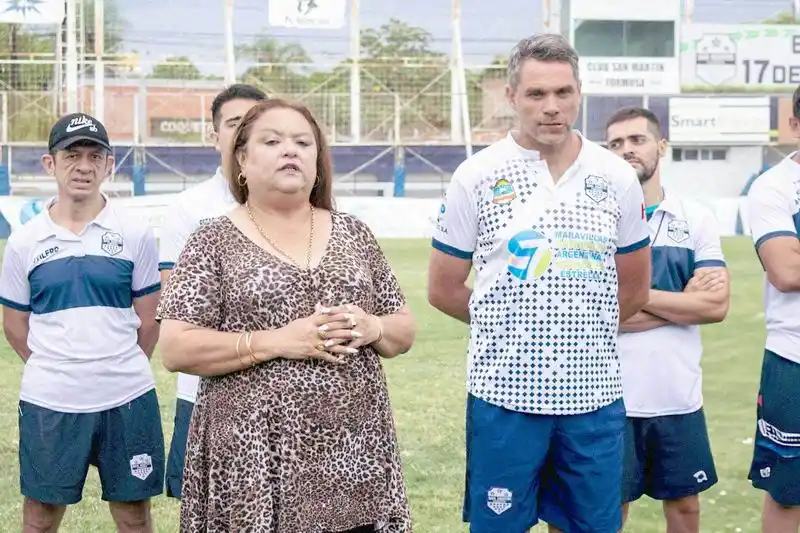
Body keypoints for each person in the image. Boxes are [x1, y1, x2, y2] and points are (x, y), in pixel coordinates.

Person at [155, 97, 417, 533]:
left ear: (318, 160)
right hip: (255, 464)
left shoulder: (353, 233)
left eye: (302, 142)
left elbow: (403, 328)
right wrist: (279, 341)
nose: (290, 150)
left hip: (356, 459)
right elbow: (176, 347)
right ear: (242, 158)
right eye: (272, 141)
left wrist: (372, 327)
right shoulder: (213, 240)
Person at [427, 33, 652, 533]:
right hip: (503, 397)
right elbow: (443, 288)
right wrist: (511, 324)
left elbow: (634, 289)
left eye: (563, 93)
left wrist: (580, 326)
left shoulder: (614, 176)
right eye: (536, 94)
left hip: (592, 398)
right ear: (512, 97)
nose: (552, 107)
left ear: (579, 93)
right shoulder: (477, 176)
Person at [0, 112, 163, 532]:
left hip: (127, 396)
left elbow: (149, 321)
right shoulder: (24, 241)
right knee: (39, 518)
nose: (84, 166)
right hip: (50, 399)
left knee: (134, 517)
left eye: (96, 156)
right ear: (49, 164)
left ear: (110, 165)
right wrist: (59, 365)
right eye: (72, 155)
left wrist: (114, 365)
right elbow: (16, 325)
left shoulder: (136, 233)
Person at [605, 107, 730, 532]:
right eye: (616, 144)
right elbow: (599, 312)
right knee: (610, 510)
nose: (626, 150)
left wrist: (638, 301)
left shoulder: (694, 217)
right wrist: (680, 304)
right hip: (609, 396)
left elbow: (715, 306)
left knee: (684, 507)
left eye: (637, 140)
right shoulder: (598, 222)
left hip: (677, 394)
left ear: (661, 146)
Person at [158, 83, 267, 500]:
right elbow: (181, 315)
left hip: (287, 391)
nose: (243, 134)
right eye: (234, 124)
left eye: (255, 124)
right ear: (214, 134)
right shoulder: (189, 209)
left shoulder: (301, 204)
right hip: (205, 393)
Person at [746, 83, 800, 533]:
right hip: (794, 359)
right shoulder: (774, 187)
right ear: (795, 126)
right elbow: (785, 269)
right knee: (788, 492)